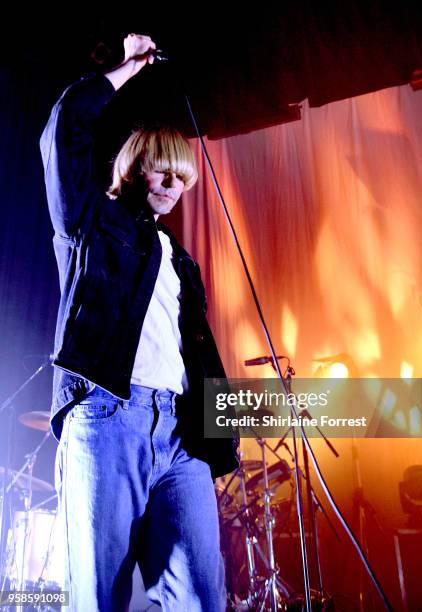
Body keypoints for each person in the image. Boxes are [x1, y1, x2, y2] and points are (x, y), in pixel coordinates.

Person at [40, 33, 238, 611]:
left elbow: (196, 354)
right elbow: (65, 128)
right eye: (166, 175)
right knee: (98, 599)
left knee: (203, 598)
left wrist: (217, 433)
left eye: (185, 181)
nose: (177, 190)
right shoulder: (90, 223)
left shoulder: (179, 259)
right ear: (136, 168)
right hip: (107, 418)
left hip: (180, 437)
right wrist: (127, 71)